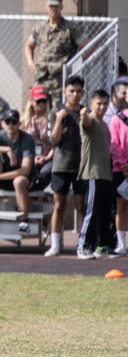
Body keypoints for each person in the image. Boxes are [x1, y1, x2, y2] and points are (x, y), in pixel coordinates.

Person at [44, 76, 87, 257]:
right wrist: (58, 120)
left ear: (82, 93)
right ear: (65, 92)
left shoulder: (86, 112)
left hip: (82, 165)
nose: (75, 95)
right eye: (71, 91)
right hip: (61, 164)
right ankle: (55, 244)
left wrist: (85, 119)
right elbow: (54, 140)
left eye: (78, 91)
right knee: (59, 205)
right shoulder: (56, 112)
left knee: (80, 205)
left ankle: (82, 244)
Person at [25, 0, 88, 106]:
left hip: (60, 79)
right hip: (41, 77)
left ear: (61, 7)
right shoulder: (39, 28)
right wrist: (30, 63)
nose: (53, 9)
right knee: (37, 109)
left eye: (56, 6)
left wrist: (73, 66)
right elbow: (29, 45)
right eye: (50, 6)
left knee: (57, 112)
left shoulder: (70, 28)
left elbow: (88, 47)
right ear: (46, 7)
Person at [75, 90, 114, 259]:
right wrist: (83, 114)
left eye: (105, 103)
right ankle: (83, 246)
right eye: (99, 103)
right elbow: (85, 122)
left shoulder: (104, 124)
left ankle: (101, 246)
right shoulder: (90, 121)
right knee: (91, 212)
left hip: (106, 175)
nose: (102, 107)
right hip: (93, 174)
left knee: (104, 213)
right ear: (91, 103)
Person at [20, 85, 54, 192]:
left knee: (46, 171)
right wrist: (31, 157)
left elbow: (56, 143)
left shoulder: (51, 120)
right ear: (31, 101)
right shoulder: (23, 121)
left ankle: (33, 193)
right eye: (38, 101)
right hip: (29, 157)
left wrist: (46, 158)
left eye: (44, 101)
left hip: (47, 156)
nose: (41, 104)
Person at [108, 86, 128, 256]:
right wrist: (123, 164)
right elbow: (113, 143)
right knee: (121, 205)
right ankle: (121, 243)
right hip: (120, 169)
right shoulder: (117, 119)